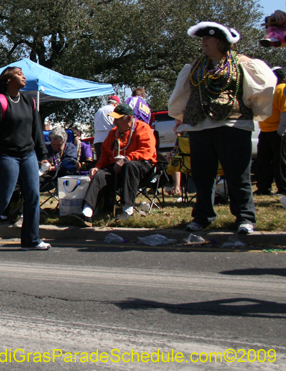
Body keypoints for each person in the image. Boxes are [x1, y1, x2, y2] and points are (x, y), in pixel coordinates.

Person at [168, 22, 276, 234]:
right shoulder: (195, 66)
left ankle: (245, 217)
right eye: (203, 39)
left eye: (209, 39)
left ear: (221, 41)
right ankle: (202, 216)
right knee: (202, 175)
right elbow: (183, 94)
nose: (204, 42)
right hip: (200, 127)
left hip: (233, 125)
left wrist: (251, 108)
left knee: (238, 175)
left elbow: (264, 86)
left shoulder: (242, 63)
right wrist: (181, 119)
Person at [0, 66, 51, 252]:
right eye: (19, 74)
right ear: (8, 79)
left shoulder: (29, 102)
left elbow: (37, 131)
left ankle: (31, 240)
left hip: (28, 154)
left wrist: (43, 156)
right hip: (7, 156)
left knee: (33, 196)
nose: (23, 77)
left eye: (23, 74)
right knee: (3, 198)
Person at [76, 103, 157, 223]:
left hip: (140, 167)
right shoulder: (113, 132)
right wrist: (98, 167)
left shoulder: (143, 129)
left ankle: (128, 209)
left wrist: (127, 158)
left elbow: (147, 151)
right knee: (99, 174)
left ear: (129, 118)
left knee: (129, 166)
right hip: (117, 167)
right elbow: (105, 154)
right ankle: (87, 211)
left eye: (117, 119)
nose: (114, 122)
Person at [255, 67, 286, 195]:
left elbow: (285, 111)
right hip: (265, 130)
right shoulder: (270, 90)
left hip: (277, 131)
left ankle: (282, 188)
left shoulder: (282, 89)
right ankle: (263, 188)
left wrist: (281, 130)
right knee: (264, 161)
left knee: (279, 162)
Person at [93, 95, 120, 161]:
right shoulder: (113, 110)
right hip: (108, 138)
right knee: (109, 162)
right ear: (116, 103)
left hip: (97, 140)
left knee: (100, 162)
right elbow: (117, 124)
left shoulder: (99, 111)